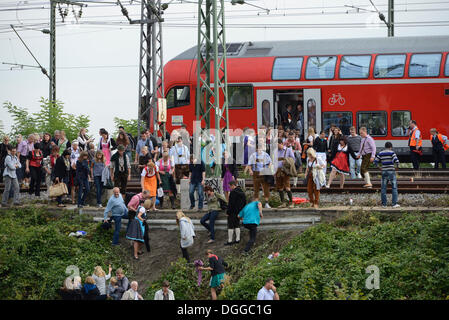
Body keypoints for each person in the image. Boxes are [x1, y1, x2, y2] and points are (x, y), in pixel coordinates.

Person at [374, 142, 400, 208]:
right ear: (391, 147)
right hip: (391, 171)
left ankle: (384, 204)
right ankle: (394, 204)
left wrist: (379, 168)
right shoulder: (392, 153)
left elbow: (375, 161)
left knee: (383, 188)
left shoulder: (381, 153)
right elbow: (397, 161)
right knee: (394, 187)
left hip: (384, 171)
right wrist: (396, 168)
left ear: (385, 146)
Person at [224, 180, 246, 245]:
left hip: (232, 212)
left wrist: (228, 212)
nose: (229, 188)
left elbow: (231, 204)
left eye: (230, 186)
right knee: (237, 225)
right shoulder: (242, 192)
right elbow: (244, 202)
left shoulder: (233, 192)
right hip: (239, 212)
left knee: (230, 226)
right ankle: (237, 239)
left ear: (232, 185)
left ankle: (230, 240)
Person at [275, 139, 296, 208]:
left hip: (285, 170)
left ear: (281, 143)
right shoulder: (275, 151)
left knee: (287, 187)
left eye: (277, 144)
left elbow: (293, 160)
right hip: (278, 170)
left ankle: (291, 202)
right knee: (280, 187)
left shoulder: (288, 150)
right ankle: (283, 203)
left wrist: (287, 161)